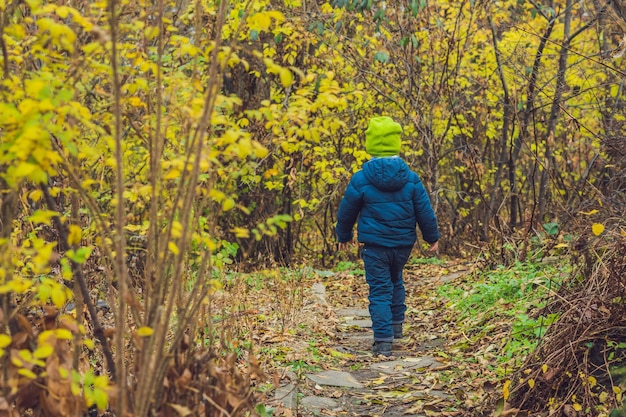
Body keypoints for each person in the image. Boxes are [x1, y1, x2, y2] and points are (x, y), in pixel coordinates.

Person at [336, 116, 439, 357]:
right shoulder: (411, 178)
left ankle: (383, 340)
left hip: (374, 246)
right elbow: (424, 210)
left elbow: (347, 209)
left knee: (380, 289)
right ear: (396, 144)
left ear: (370, 145)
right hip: (402, 244)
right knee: (396, 281)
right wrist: (431, 236)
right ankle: (396, 327)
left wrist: (344, 235)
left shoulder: (361, 178)